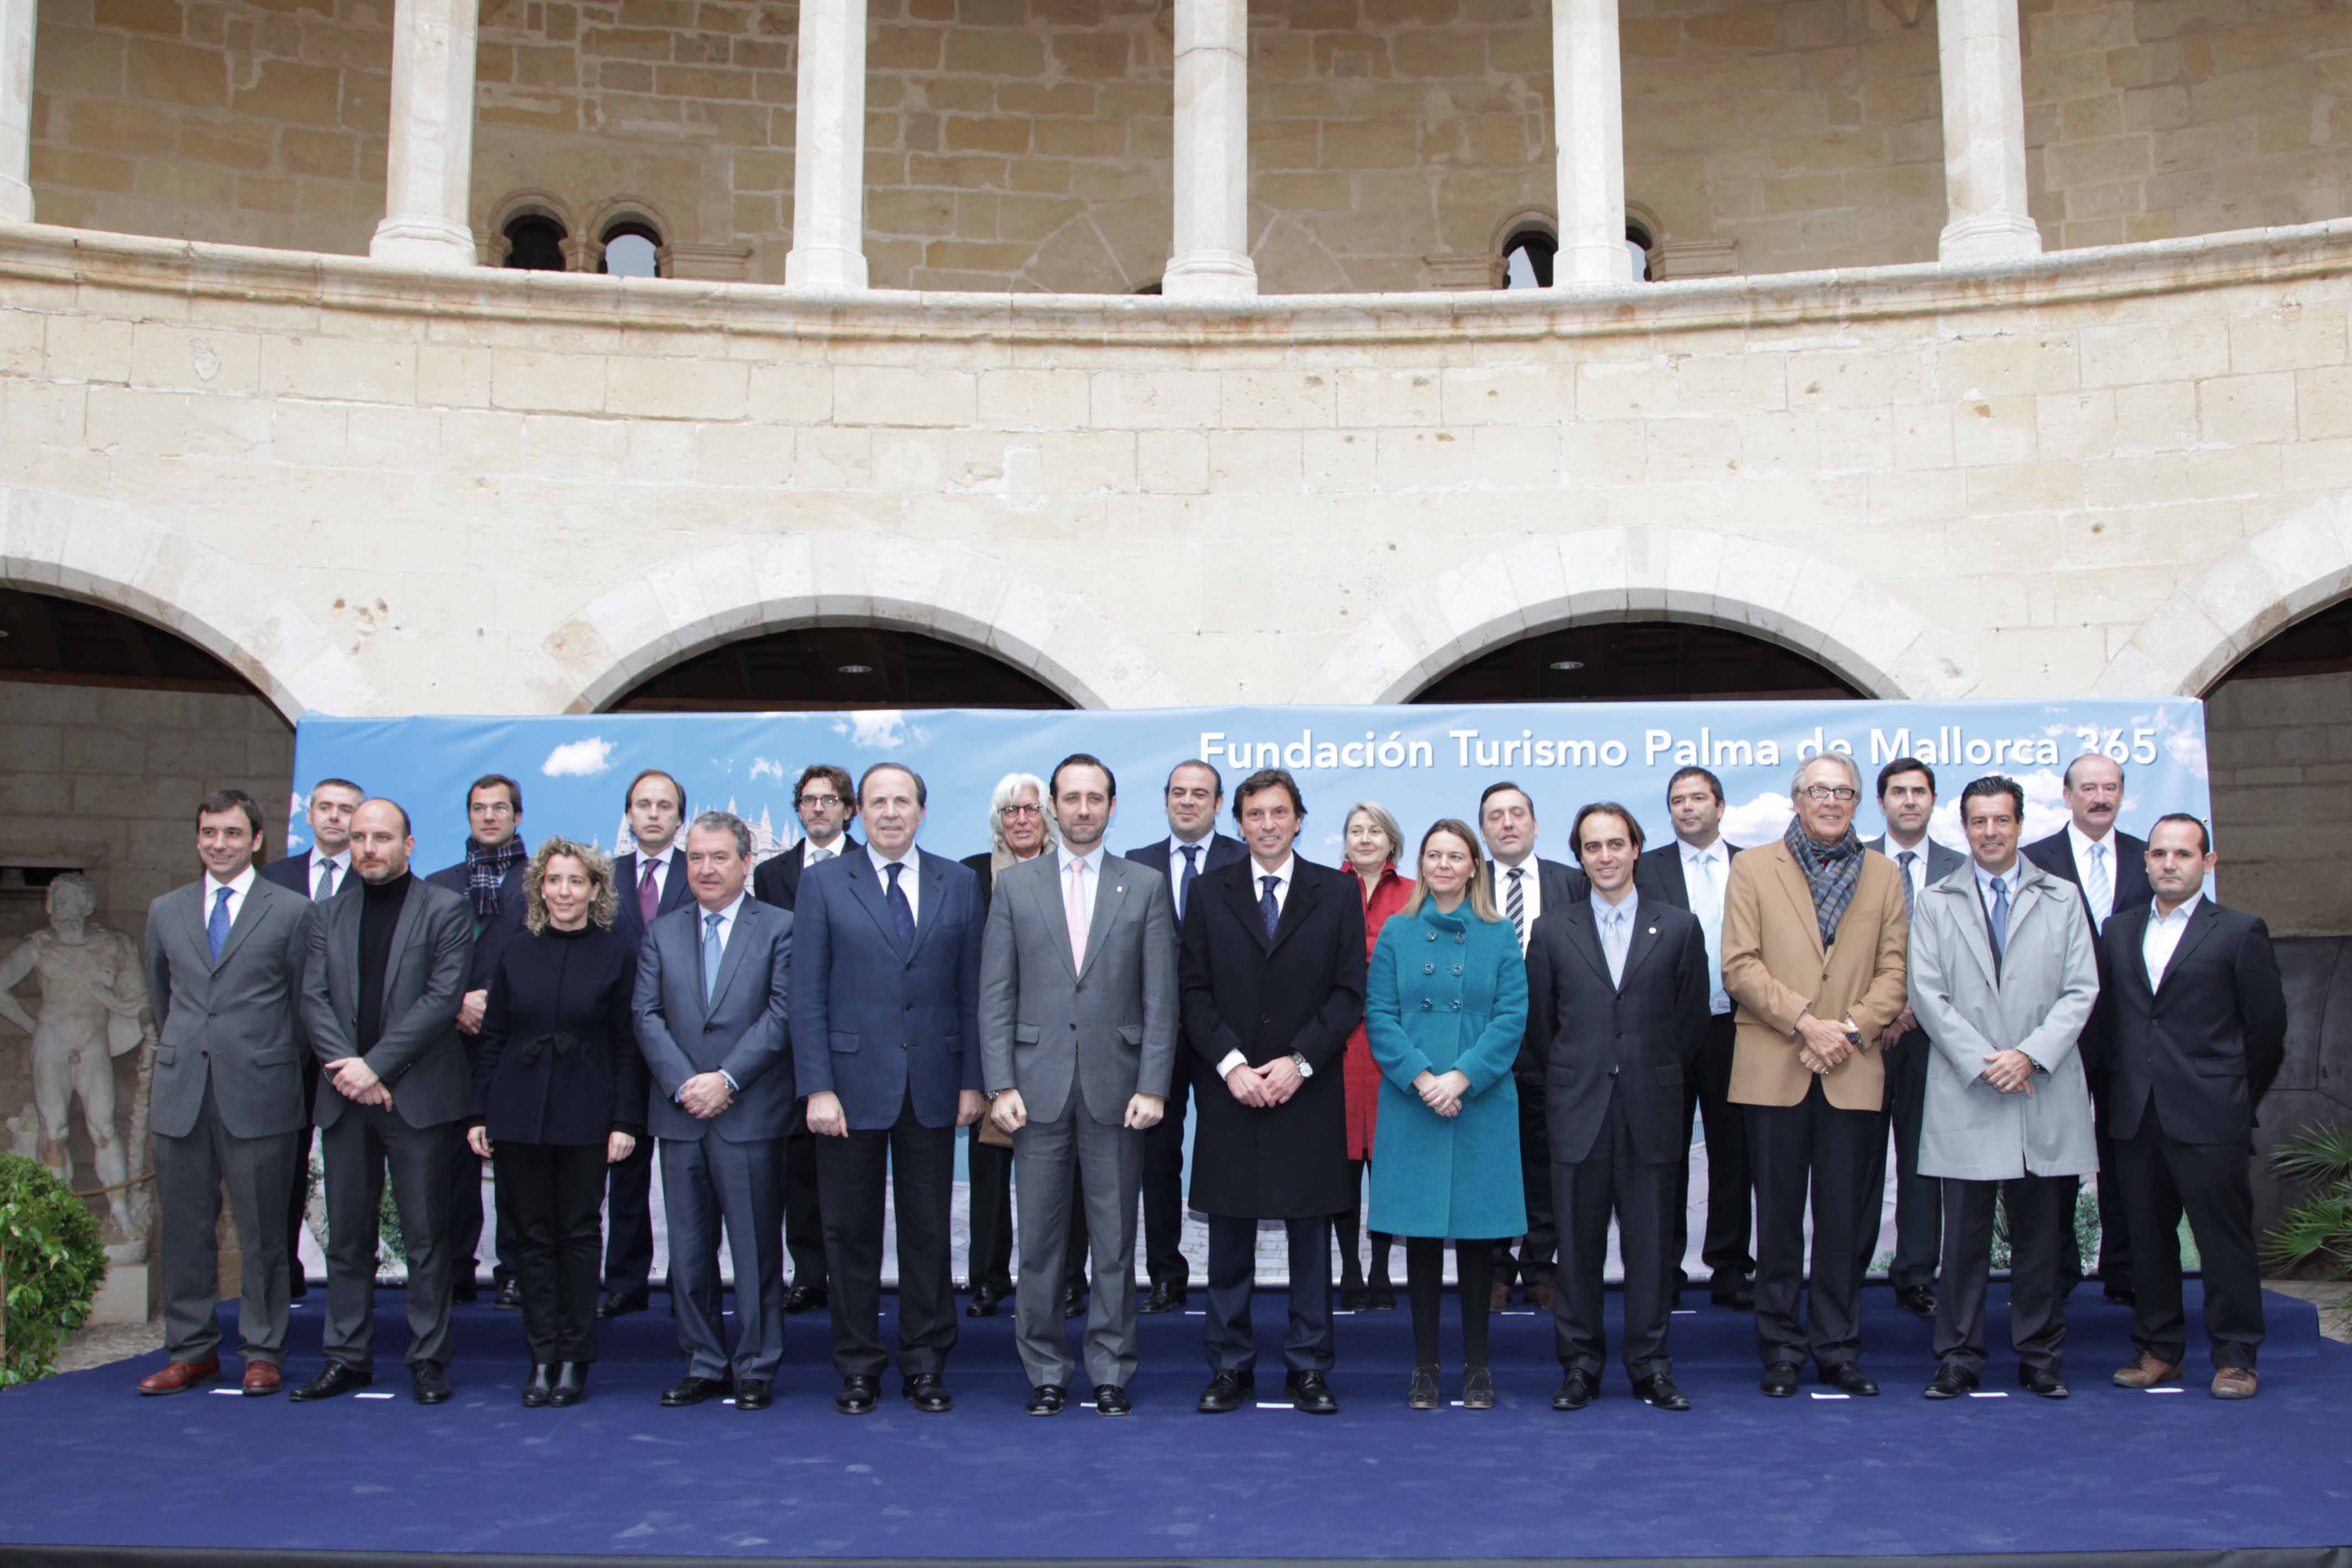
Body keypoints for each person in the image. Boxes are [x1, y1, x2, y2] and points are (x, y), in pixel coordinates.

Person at [980, 754, 1177, 1416]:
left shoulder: (1144, 886)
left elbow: (1160, 999)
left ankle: (1111, 1369)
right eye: (1071, 798)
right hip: (1032, 1093)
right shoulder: (1014, 887)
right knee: (1037, 1243)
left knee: (1116, 1242)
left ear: (1113, 806)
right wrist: (999, 1081)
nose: (1083, 809)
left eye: (1095, 798)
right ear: (1052, 808)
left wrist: (1152, 1085)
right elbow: (995, 995)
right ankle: (1043, 1369)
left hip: (1118, 1093)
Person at [792, 763, 986, 1415]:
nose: (891, 813)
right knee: (849, 1234)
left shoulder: (958, 883)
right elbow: (806, 996)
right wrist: (816, 1086)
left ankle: (926, 1362)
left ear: (922, 812)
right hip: (846, 1090)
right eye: (878, 802)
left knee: (928, 1231)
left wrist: (972, 1081)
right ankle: (857, 1366)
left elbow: (972, 991)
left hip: (934, 1085)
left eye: (903, 801)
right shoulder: (821, 884)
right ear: (856, 812)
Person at [1180, 767, 1366, 1416]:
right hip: (1231, 1089)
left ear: (1298, 819)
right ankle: (1229, 1367)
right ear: (1239, 822)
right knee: (1228, 1234)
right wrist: (1232, 1064)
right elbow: (1192, 991)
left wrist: (1299, 1062)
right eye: (1254, 814)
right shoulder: (1206, 893)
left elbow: (1348, 994)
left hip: (1305, 1090)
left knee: (1309, 1236)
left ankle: (1309, 1367)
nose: (1266, 824)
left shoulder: (1337, 894)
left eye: (1278, 813)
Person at [1723, 752, 1909, 1398]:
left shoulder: (1884, 874)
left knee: (1841, 1222)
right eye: (1819, 791)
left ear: (1859, 802)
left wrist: (1850, 1029)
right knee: (1776, 1222)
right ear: (1796, 799)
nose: (1831, 802)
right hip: (1777, 1063)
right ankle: (1779, 1351)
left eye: (1844, 792)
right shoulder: (1751, 867)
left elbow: (1895, 972)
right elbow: (1739, 966)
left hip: (1851, 1065)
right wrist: (1808, 1024)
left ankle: (1836, 1348)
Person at [1908, 777, 2099, 1400]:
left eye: (2002, 821)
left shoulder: (2062, 897)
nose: (1990, 833)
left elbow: (2081, 990)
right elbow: (1926, 995)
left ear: (2020, 824)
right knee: (1961, 1241)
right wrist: (1984, 1060)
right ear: (1963, 828)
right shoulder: (1935, 901)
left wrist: (2030, 1056)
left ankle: (2039, 1356)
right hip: (1969, 1089)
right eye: (1978, 822)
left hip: (2039, 1089)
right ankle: (1958, 1357)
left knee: (2040, 1238)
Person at [136, 792, 320, 1397]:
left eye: (233, 833)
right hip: (183, 1090)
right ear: (197, 839)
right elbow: (163, 999)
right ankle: (191, 1350)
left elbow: (303, 1005)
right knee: (186, 1228)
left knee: (265, 1231)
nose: (220, 843)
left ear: (257, 840)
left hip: (262, 1092)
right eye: (210, 832)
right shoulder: (166, 910)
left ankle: (262, 1350)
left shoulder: (292, 911)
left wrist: (264, 1060)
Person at [292, 798, 476, 1405]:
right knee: (348, 1238)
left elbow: (441, 998)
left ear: (409, 844)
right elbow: (313, 1000)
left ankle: (427, 1360)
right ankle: (347, 1357)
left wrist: (375, 1065)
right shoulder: (326, 915)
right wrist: (352, 1072)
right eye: (361, 837)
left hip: (415, 1099)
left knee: (426, 1239)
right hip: (347, 1099)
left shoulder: (445, 909)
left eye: (383, 837)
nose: (369, 848)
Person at [2102, 815, 2287, 1400]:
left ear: (2208, 863)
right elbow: (2110, 1022)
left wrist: (2232, 1094)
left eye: (2183, 854)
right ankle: (2159, 1350)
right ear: (2146, 862)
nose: (2168, 864)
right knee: (2147, 1238)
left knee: (2222, 1239)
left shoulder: (2237, 930)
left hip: (2210, 1114)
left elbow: (2266, 1031)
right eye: (2158, 853)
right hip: (2135, 1113)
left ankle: (2235, 1357)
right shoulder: (2117, 930)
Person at [1534, 803, 1709, 1412]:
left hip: (1650, 1108)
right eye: (1591, 847)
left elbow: (1689, 1027)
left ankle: (1650, 1367)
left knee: (1651, 1248)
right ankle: (1579, 1367)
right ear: (1579, 857)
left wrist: (1650, 1076)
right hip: (1577, 1109)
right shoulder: (1553, 929)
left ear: (1637, 848)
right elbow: (1540, 1027)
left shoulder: (1679, 926)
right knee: (1576, 1251)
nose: (1604, 856)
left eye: (1616, 844)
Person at [466, 839, 649, 1408]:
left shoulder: (618, 953)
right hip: (518, 1113)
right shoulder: (517, 951)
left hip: (587, 1114)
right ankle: (540, 1357)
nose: (564, 891)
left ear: (595, 890)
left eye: (576, 881)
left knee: (577, 1236)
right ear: (539, 888)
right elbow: (493, 1036)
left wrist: (624, 1120)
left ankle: (574, 1358)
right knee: (531, 1240)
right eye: (554, 881)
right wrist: (480, 1112)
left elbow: (627, 1044)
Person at [634, 810, 796, 1411]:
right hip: (680, 1117)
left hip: (749, 1112)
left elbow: (782, 1015)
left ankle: (756, 1365)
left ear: (745, 862)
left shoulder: (781, 927)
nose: (705, 868)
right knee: (689, 1251)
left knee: (755, 1250)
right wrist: (686, 1085)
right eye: (696, 857)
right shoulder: (661, 931)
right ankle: (703, 1362)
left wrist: (726, 1079)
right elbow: (645, 1017)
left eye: (718, 857)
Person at [1363, 819, 1526, 1410]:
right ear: (1421, 864)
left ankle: (1478, 1367)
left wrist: (1463, 1076)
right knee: (1424, 1239)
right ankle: (1425, 1367)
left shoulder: (1499, 933)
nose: (1443, 865)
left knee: (1481, 1241)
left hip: (1479, 1100)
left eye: (1456, 856)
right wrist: (1424, 1078)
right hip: (1415, 1101)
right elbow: (1379, 1015)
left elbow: (1512, 1017)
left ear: (1473, 866)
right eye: (1433, 855)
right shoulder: (1398, 933)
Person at [2023, 752, 2153, 1306]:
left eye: (2110, 787)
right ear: (2067, 794)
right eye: (2088, 787)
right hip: (2055, 1034)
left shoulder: (2151, 859)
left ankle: (2123, 1267)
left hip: (2132, 1039)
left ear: (2121, 794)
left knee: (2126, 1155)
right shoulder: (2032, 861)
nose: (2099, 797)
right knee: (2053, 1158)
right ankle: (2057, 1267)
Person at [1122, 758, 1245, 1314]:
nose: (1188, 802)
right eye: (1178, 793)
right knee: (1156, 1158)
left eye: (1201, 794)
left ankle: (1227, 1275)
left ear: (1219, 805)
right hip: (1155, 1037)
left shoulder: (1244, 860)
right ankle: (1166, 1275)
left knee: (1226, 1155)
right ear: (1166, 800)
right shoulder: (1134, 865)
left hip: (1225, 1036)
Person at [961, 772, 1085, 1321]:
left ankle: (1067, 1277)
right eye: (1010, 811)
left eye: (1031, 810)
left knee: (1068, 1171)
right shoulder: (969, 877)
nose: (1020, 820)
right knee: (990, 1170)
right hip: (995, 1046)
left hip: (1062, 1046)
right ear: (997, 819)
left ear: (1049, 816)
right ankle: (987, 1278)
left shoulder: (1075, 874)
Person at [1633, 764, 1752, 1310]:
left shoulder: (1754, 866)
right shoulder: (1646, 868)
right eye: (1677, 800)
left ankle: (1728, 1266)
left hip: (1739, 1025)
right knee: (1665, 1151)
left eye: (1698, 798)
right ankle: (1664, 1266)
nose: (1687, 808)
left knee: (1734, 1151)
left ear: (1720, 807)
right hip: (1666, 1029)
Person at [750, 763, 861, 1316]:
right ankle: (808, 1270)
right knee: (797, 1168)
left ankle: (847, 1272)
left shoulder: (871, 867)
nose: (818, 809)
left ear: (848, 809)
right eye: (808, 801)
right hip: (789, 1039)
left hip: (856, 1038)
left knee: (846, 1168)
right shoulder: (771, 874)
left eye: (829, 800)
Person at [1477, 782, 1585, 1311]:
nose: (1508, 824)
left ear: (1536, 824)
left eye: (1517, 813)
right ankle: (1495, 1269)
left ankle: (1542, 1264)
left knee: (1549, 1159)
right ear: (1483, 831)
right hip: (1484, 1050)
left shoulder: (1573, 883)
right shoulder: (1467, 885)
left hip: (1557, 1046)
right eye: (1495, 816)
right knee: (1492, 1161)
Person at [1862, 757, 1965, 1317]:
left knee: (1924, 1158)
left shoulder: (1959, 867)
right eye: (1897, 792)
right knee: (1857, 1156)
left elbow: (1964, 953)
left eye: (1918, 792)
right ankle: (1849, 1262)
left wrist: (1916, 1008)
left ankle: (1916, 1271)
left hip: (1932, 1035)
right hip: (1866, 1035)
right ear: (1880, 802)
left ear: (1931, 801)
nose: (1908, 801)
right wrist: (1880, 1010)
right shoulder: (1853, 861)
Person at [425, 773, 529, 1309]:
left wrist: (499, 1004)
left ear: (517, 816)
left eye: (499, 808)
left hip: (517, 1043)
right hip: (452, 1043)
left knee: (515, 1164)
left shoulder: (541, 881)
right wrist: (457, 1002)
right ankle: (455, 1267)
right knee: (452, 1164)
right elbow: (417, 966)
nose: (489, 817)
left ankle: (514, 1269)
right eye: (478, 808)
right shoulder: (439, 885)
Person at [259, 775, 365, 1296]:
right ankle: (283, 1271)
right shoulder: (273, 877)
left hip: (354, 1049)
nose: (334, 817)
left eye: (346, 809)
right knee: (282, 1164)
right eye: (325, 807)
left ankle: (354, 1274)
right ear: (309, 814)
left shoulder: (373, 878)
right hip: (283, 1046)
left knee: (355, 1166)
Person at [601, 767, 691, 1321]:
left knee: (692, 1181)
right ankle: (625, 1282)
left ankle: (690, 1279)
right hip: (617, 1047)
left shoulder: (705, 871)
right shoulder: (600, 878)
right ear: (628, 815)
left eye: (664, 805)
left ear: (680, 818)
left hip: (687, 1047)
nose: (653, 814)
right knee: (625, 1171)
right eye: (643, 804)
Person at [1336, 801, 1411, 1311]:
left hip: (1392, 1047)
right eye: (1356, 830)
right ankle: (1349, 1269)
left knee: (1388, 1169)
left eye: (1375, 830)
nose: (1365, 838)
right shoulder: (1322, 889)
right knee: (1341, 1169)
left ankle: (1383, 1269)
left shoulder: (1413, 893)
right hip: (1337, 1048)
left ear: (1392, 841)